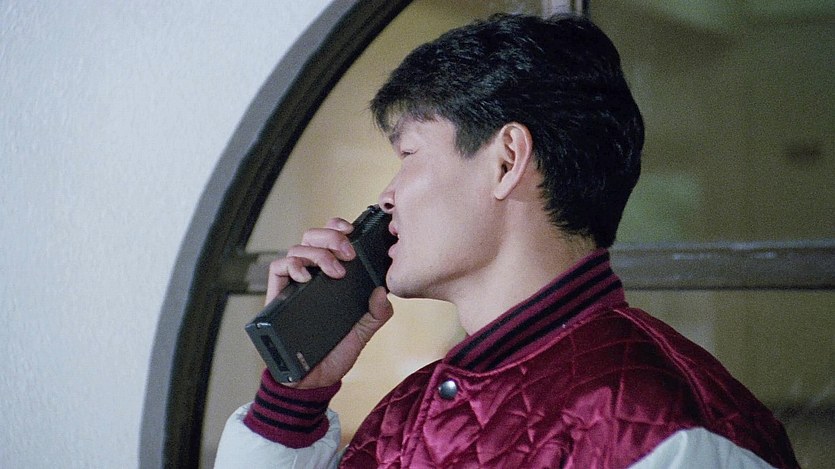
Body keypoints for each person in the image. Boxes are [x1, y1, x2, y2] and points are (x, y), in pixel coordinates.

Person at [215, 13, 798, 468]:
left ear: (507, 159)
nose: (387, 198)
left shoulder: (668, 434)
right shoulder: (402, 416)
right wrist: (293, 402)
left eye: (409, 155)